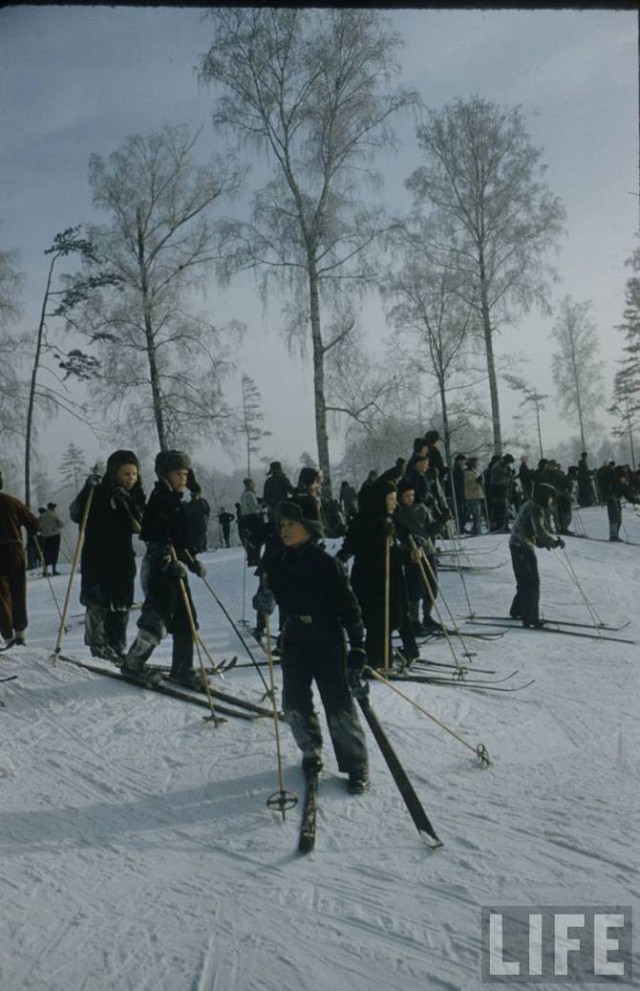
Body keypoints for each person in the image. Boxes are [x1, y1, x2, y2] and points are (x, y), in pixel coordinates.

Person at [263, 495, 370, 793]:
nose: (284, 530)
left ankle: (356, 765)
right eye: (281, 524)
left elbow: (350, 608)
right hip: (294, 636)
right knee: (295, 700)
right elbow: (271, 593)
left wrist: (359, 646)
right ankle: (310, 750)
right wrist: (265, 598)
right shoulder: (279, 561)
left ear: (309, 527)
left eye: (291, 524)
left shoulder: (327, 565)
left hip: (326, 636)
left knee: (338, 701)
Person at [120, 450, 208, 688]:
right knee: (156, 619)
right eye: (178, 474)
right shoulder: (160, 500)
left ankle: (183, 669)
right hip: (159, 569)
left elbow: (181, 541)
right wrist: (170, 562)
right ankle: (133, 663)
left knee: (185, 618)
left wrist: (192, 563)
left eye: (186, 474)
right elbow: (155, 537)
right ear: (165, 475)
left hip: (175, 569)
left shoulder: (176, 502)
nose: (183, 478)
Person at [70, 450, 146, 663]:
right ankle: (98, 645)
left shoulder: (136, 494)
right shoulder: (98, 492)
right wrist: (87, 489)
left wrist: (128, 502)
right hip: (96, 556)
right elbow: (76, 514)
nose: (131, 478)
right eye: (126, 474)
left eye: (134, 474)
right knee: (97, 601)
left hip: (122, 557)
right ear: (114, 473)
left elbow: (141, 526)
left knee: (121, 603)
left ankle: (117, 645)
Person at [338, 478, 419, 669]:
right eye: (390, 499)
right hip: (372, 580)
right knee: (378, 620)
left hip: (391, 578)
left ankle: (393, 653)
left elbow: (400, 545)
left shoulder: (390, 518)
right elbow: (372, 550)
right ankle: (379, 660)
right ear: (380, 499)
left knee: (394, 616)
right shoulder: (366, 521)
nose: (394, 502)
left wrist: (412, 552)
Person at [393, 477, 448, 635]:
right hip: (411, 555)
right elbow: (399, 535)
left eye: (411, 495)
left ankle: (427, 617)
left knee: (432, 586)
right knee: (415, 588)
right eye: (406, 496)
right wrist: (409, 544)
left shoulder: (421, 508)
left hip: (427, 551)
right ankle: (415, 621)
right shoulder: (398, 514)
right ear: (400, 497)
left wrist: (441, 521)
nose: (410, 498)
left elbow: (429, 528)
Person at [508, 483, 565, 628]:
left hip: (517, 544)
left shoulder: (530, 504)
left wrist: (543, 543)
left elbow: (532, 532)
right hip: (522, 546)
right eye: (551, 498)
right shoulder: (536, 508)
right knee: (532, 582)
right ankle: (531, 618)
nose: (552, 501)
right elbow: (539, 531)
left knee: (524, 580)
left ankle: (518, 610)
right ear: (545, 497)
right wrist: (553, 542)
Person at [0, 471, 41, 648]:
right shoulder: (12, 501)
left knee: (2, 595)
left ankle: (7, 636)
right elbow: (34, 524)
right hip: (15, 549)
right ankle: (21, 633)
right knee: (19, 590)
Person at [239, 478, 263, 566]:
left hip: (245, 519)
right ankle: (255, 558)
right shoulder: (249, 494)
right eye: (253, 483)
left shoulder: (244, 494)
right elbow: (254, 507)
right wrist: (263, 505)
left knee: (250, 538)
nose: (254, 485)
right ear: (250, 484)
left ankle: (252, 558)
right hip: (252, 518)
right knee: (256, 539)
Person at [39, 501, 64, 575]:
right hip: (55, 536)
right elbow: (60, 524)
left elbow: (38, 526)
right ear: (53, 508)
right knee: (54, 552)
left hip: (45, 537)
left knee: (46, 553)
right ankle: (54, 570)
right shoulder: (54, 515)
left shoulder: (42, 516)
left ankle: (45, 570)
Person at [184, 486, 210, 553]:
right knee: (200, 535)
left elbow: (207, 510)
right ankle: (200, 548)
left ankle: (202, 547)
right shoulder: (199, 502)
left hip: (198, 522)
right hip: (198, 522)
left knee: (200, 535)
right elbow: (207, 510)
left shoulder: (198, 502)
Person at [463, 457, 485, 536]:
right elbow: (470, 484)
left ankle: (477, 529)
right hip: (472, 496)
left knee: (477, 515)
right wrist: (478, 481)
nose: (478, 465)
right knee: (476, 515)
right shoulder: (468, 473)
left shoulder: (473, 471)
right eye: (477, 464)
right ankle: (476, 530)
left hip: (475, 495)